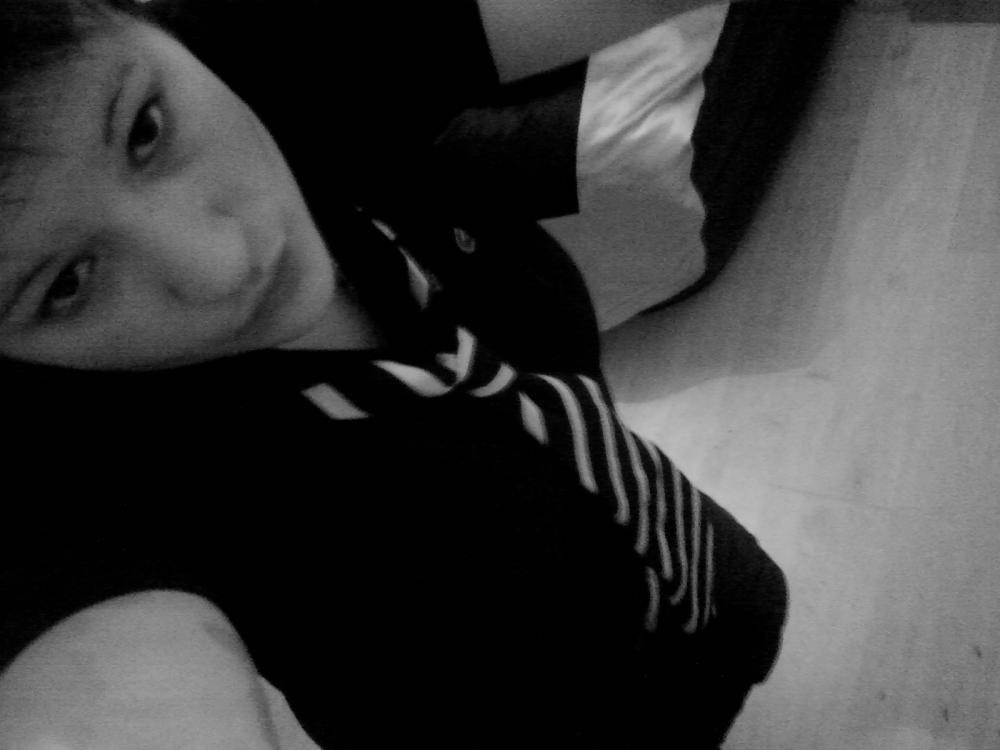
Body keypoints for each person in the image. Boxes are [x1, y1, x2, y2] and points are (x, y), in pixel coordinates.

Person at [0, 0, 786, 747]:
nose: (222, 267)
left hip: (688, 554)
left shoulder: (257, 55)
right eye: (65, 285)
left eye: (145, 131)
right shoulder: (64, 462)